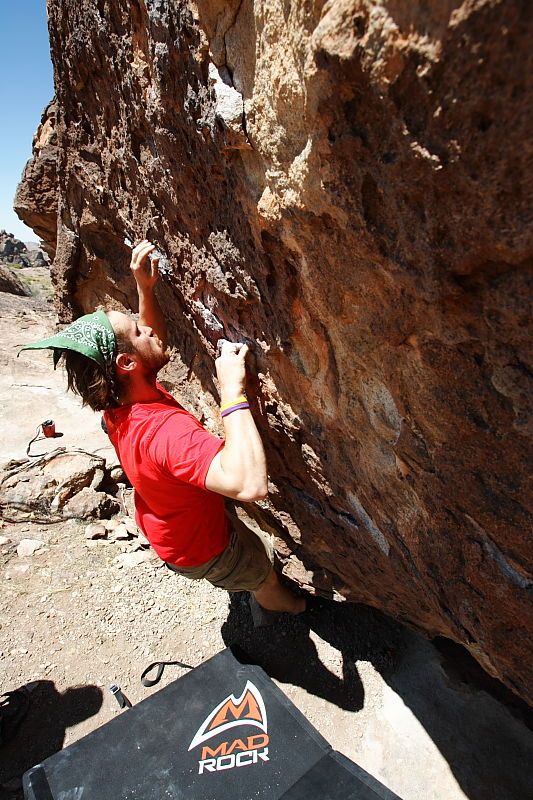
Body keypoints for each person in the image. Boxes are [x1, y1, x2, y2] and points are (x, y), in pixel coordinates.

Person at [21, 240, 305, 616]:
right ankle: (292, 611)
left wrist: (146, 289)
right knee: (262, 575)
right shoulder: (164, 432)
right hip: (203, 549)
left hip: (174, 532)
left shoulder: (119, 406)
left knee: (239, 552)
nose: (149, 330)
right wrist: (232, 390)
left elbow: (151, 349)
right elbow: (248, 484)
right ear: (126, 363)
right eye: (138, 331)